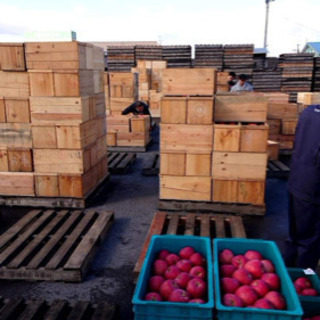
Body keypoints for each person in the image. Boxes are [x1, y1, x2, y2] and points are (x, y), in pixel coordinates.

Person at [284, 104, 320, 270]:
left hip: (297, 179)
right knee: (310, 241)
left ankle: (287, 274)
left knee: (294, 234)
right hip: (314, 188)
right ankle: (302, 281)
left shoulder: (308, 112)